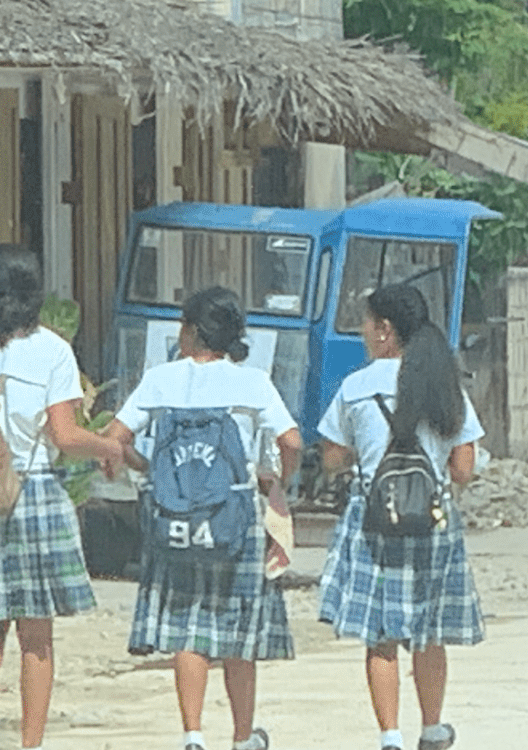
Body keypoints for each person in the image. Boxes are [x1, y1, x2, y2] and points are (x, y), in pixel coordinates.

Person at [0, 245, 125, 750]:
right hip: (31, 491)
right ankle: (30, 744)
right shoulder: (51, 350)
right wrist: (109, 447)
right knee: (36, 635)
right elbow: (64, 435)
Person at [104, 287, 300, 750]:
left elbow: (115, 437)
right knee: (237, 633)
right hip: (235, 517)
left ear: (191, 330)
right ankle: (242, 736)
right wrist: (277, 480)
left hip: (175, 519)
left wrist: (148, 469)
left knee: (186, 629)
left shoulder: (161, 379)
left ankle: (193, 734)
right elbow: (291, 441)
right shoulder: (252, 383)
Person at [317, 284, 485, 750]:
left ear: (384, 330)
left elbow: (332, 458)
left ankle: (390, 736)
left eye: (366, 323)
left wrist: (362, 455)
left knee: (381, 635)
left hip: (374, 521)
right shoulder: (444, 385)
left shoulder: (355, 388)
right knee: (429, 632)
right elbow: (464, 470)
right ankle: (432, 729)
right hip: (432, 521)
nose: (363, 332)